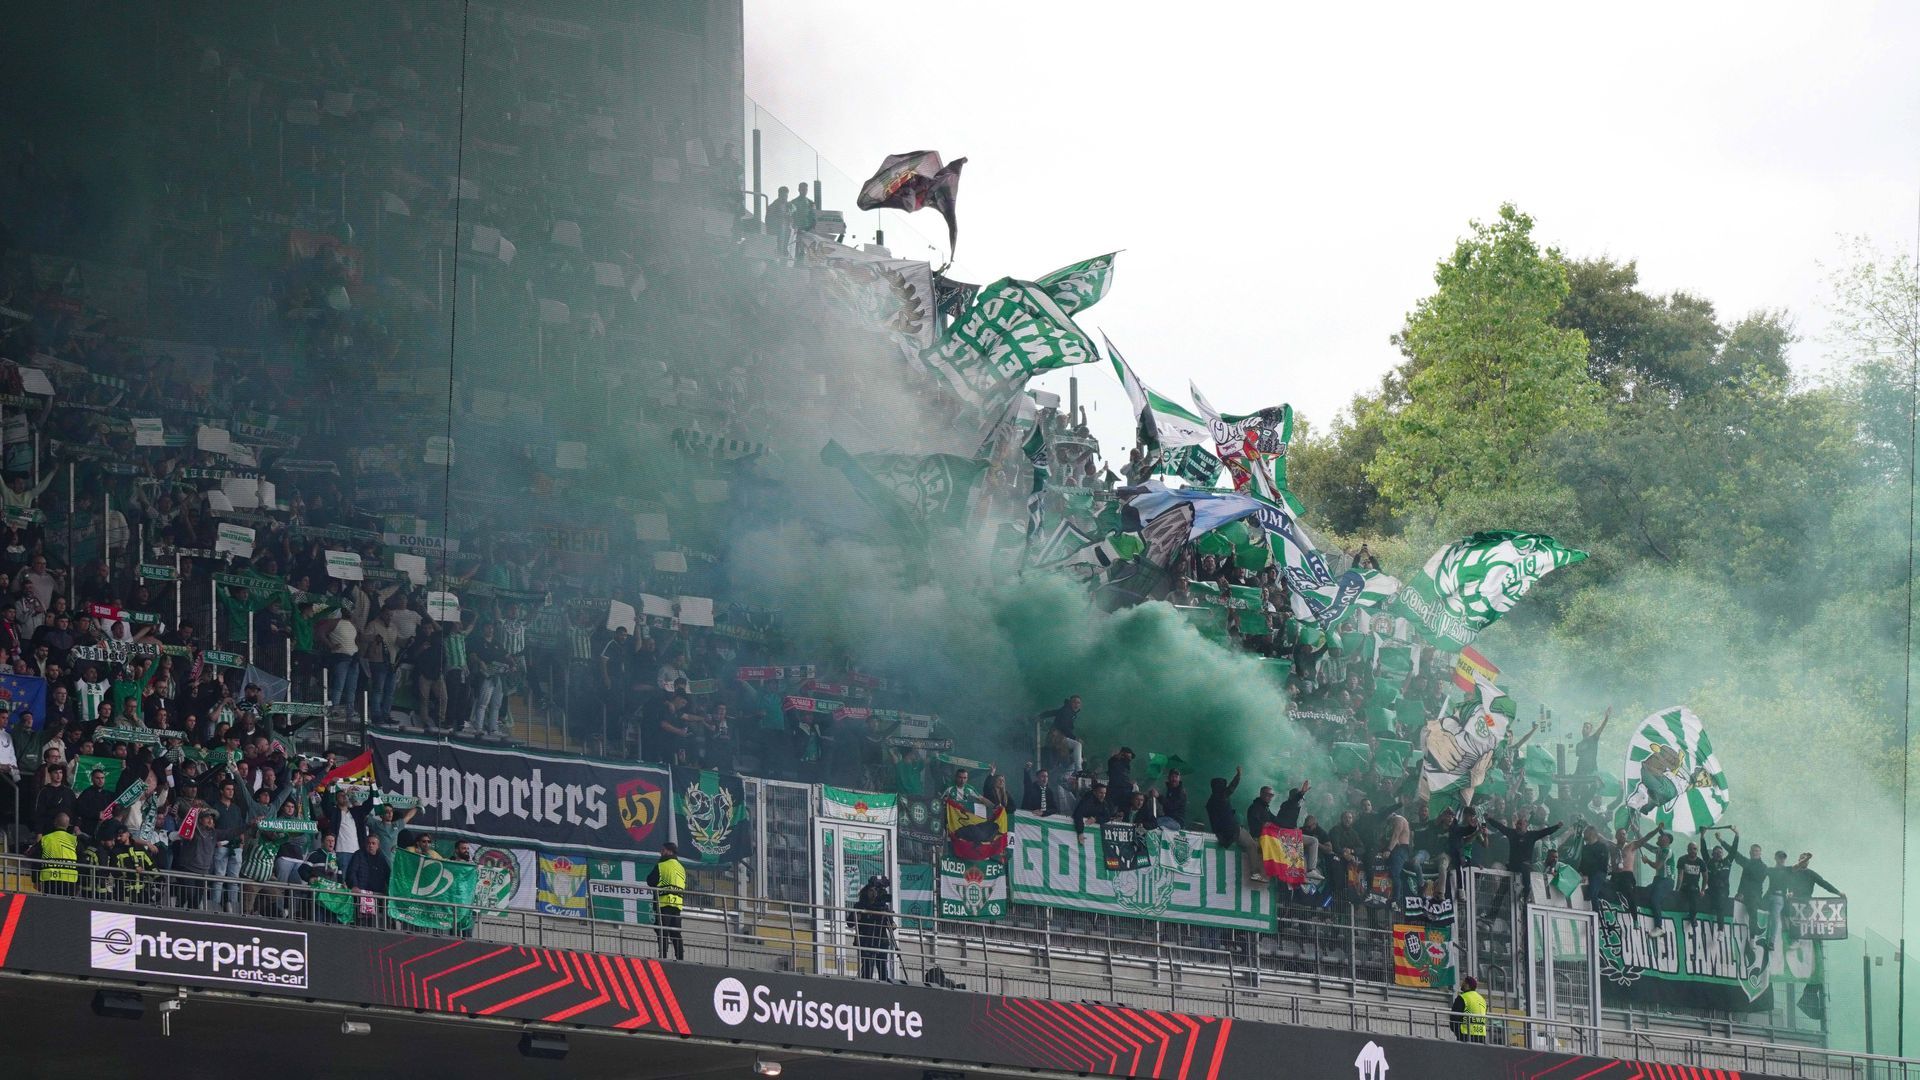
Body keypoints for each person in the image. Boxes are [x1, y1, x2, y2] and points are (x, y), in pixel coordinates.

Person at [1485, 810, 1563, 902]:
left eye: (1520, 824)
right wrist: (1489, 819)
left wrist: (1557, 827)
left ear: (1526, 826)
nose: (1518, 826)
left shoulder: (1532, 835)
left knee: (1527, 877)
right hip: (1512, 866)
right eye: (1517, 824)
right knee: (1501, 891)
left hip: (1525, 866)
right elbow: (1500, 826)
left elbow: (1546, 831)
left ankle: (1525, 898)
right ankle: (1491, 915)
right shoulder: (1512, 833)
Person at [1206, 768, 1265, 882]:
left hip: (1221, 832)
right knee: (1252, 845)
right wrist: (1238, 775)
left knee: (1253, 843)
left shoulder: (1210, 801)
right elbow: (1232, 787)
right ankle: (1255, 873)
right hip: (1232, 830)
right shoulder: (1222, 796)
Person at [850, 875, 895, 981]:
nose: (874, 894)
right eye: (871, 891)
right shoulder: (860, 906)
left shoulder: (883, 907)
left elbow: (891, 926)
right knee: (867, 966)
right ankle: (866, 986)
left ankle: (883, 986)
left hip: (881, 941)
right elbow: (850, 923)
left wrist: (890, 921)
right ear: (867, 892)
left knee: (882, 966)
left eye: (877, 892)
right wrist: (858, 915)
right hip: (866, 939)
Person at [650, 841, 687, 961]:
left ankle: (663, 956)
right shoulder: (681, 867)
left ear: (669, 851)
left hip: (664, 903)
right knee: (676, 933)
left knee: (662, 930)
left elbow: (650, 880)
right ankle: (680, 958)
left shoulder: (662, 865)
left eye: (663, 850)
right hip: (677, 905)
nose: (661, 852)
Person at [34, 810, 79, 896]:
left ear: (55, 823)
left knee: (50, 906)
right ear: (68, 825)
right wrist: (80, 883)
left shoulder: (45, 839)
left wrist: (35, 880)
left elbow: (36, 860)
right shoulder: (74, 840)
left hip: (49, 879)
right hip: (69, 879)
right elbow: (81, 861)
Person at [1041, 695, 1084, 775]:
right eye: (1074, 702)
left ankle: (1066, 777)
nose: (1076, 704)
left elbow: (1053, 712)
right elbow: (1064, 726)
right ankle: (1078, 770)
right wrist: (1075, 738)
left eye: (1078, 703)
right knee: (1078, 745)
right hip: (1056, 738)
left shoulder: (1066, 710)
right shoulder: (1066, 711)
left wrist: (1041, 715)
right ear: (1070, 703)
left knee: (1079, 759)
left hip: (1061, 738)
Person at [1576, 826, 1611, 910]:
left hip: (1599, 873)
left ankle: (1596, 914)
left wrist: (1588, 874)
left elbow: (1602, 864)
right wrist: (1580, 872)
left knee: (1593, 893)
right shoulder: (1585, 848)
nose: (1584, 834)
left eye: (1585, 833)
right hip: (1588, 874)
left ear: (1591, 833)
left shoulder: (1602, 847)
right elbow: (1583, 862)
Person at [1574, 708, 1612, 777]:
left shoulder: (1593, 739)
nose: (1584, 729)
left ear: (1590, 730)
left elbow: (1601, 728)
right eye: (1584, 727)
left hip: (1591, 773)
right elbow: (1579, 760)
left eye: (1587, 728)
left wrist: (1606, 718)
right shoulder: (1578, 745)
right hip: (1580, 773)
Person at [1450, 975, 1488, 1043]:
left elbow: (1454, 1017)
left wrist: (1457, 1032)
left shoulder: (1463, 998)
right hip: (1481, 1035)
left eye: (1464, 982)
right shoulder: (1482, 999)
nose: (1462, 983)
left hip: (1465, 1035)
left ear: (1467, 985)